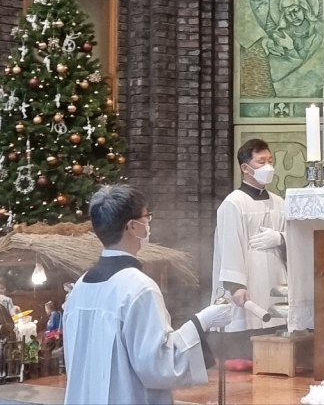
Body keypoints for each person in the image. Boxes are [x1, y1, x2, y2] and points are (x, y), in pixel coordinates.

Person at [63, 185, 232, 405]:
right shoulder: (138, 288)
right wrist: (202, 322)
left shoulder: (80, 286)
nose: (149, 223)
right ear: (133, 226)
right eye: (146, 217)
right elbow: (159, 365)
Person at [212, 139, 288, 364]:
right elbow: (229, 246)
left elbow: (295, 237)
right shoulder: (233, 203)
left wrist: (281, 238)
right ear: (245, 168)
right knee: (248, 345)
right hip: (249, 281)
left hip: (276, 278)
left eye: (270, 161)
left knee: (277, 333)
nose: (269, 167)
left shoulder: (279, 203)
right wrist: (236, 286)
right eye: (261, 162)